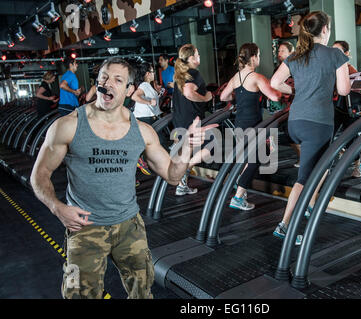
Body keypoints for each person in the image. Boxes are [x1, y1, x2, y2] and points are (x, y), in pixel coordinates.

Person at [30, 57, 217, 299]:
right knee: (79, 295)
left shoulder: (143, 132)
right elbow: (40, 174)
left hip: (129, 226)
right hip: (85, 227)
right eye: (104, 77)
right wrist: (57, 208)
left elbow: (173, 176)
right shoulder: (68, 126)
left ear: (129, 90)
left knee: (142, 292)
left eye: (118, 80)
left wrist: (186, 147)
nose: (108, 84)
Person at [271, 11, 350, 245]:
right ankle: (285, 225)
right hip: (318, 123)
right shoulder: (335, 54)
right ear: (325, 29)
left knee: (322, 163)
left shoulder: (297, 55)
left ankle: (309, 203)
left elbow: (275, 83)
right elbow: (344, 90)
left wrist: (295, 91)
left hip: (295, 122)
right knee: (303, 178)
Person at [220, 43, 281, 211]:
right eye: (259, 55)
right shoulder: (256, 77)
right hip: (253, 125)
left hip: (239, 123)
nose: (259, 58)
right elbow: (274, 96)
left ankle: (240, 186)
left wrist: (237, 97)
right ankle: (238, 195)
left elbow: (223, 96)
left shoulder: (236, 77)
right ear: (253, 57)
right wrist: (283, 90)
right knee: (258, 158)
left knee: (248, 158)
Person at [172, 44, 213, 196]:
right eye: (198, 54)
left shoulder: (180, 75)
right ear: (191, 58)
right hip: (192, 121)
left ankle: (182, 184)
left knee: (187, 152)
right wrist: (205, 98)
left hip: (180, 119)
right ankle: (185, 168)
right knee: (211, 146)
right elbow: (189, 93)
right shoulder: (194, 73)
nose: (200, 57)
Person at [332, 40, 361, 178]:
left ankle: (359, 164)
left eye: (338, 51)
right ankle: (341, 154)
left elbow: (359, 89)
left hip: (349, 108)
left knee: (351, 137)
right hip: (336, 107)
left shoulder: (351, 70)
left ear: (346, 54)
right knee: (328, 135)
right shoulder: (331, 69)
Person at [273, 42, 301, 168]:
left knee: (293, 133)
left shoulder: (297, 67)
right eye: (278, 51)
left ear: (291, 52)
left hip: (298, 106)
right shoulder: (278, 70)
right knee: (289, 132)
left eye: (282, 51)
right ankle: (302, 157)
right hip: (286, 108)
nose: (279, 53)